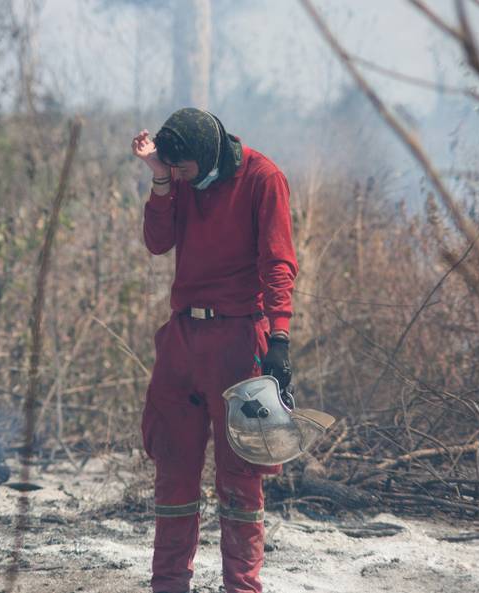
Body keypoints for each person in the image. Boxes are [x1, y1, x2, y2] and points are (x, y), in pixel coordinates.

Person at [131, 107, 298, 593]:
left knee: (241, 476)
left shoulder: (263, 179)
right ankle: (168, 586)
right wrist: (160, 179)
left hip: (240, 341)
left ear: (205, 156)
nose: (178, 176)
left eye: (180, 169)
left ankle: (241, 587)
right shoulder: (178, 178)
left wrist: (280, 339)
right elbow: (158, 242)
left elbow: (278, 263)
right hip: (183, 341)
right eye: (173, 168)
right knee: (174, 470)